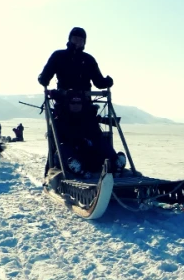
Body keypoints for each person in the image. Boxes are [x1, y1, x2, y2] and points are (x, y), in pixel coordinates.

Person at [38, 27, 124, 176]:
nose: (77, 41)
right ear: (69, 39)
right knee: (63, 137)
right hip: (64, 109)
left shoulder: (88, 60)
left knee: (96, 136)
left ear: (84, 42)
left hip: (86, 109)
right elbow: (46, 75)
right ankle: (71, 165)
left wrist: (107, 82)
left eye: (81, 39)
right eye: (75, 38)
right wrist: (43, 79)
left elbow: (98, 81)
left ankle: (114, 160)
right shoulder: (58, 56)